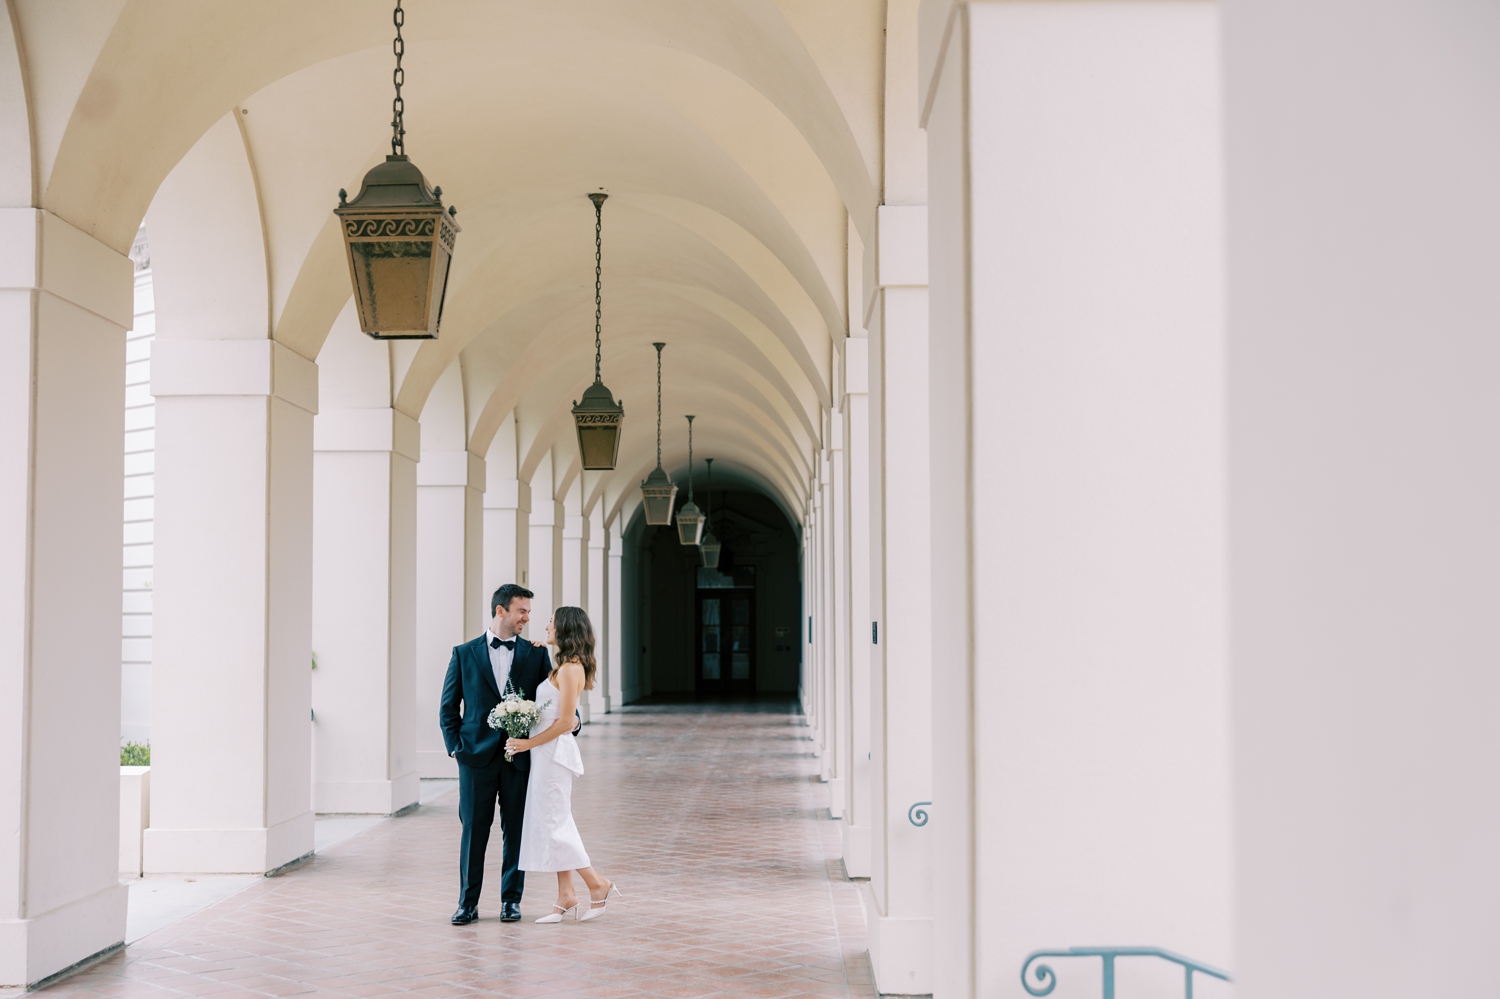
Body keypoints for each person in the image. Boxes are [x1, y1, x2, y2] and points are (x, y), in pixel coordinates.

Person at [439, 583, 555, 925]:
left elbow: (550, 701)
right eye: (522, 611)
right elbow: (448, 708)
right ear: (500, 610)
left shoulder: (535, 654)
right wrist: (456, 749)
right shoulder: (464, 653)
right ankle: (467, 903)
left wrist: (570, 723)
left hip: (519, 759)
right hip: (474, 758)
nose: (527, 618)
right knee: (474, 830)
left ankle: (511, 901)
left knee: (515, 831)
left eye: (529, 612)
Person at [507, 606, 622, 923]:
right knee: (552, 822)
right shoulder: (563, 666)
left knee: (555, 824)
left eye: (551, 623)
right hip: (544, 755)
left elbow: (567, 721)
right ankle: (566, 895)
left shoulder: (571, 669)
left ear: (566, 629)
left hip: (553, 754)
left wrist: (527, 743)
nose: (546, 627)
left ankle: (597, 884)